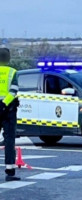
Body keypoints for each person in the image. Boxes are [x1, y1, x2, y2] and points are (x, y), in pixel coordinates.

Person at [0, 48, 20, 181]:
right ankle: (9, 169)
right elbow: (13, 91)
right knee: (9, 139)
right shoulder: (12, 72)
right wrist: (3, 104)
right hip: (8, 110)